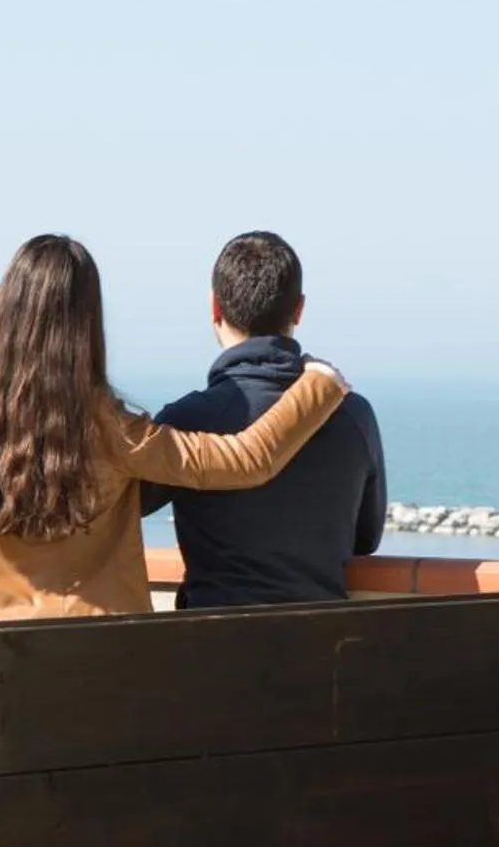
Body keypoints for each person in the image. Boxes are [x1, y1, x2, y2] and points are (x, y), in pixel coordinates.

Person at [0, 233, 350, 624]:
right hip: (94, 659)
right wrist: (319, 384)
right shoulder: (110, 428)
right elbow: (246, 461)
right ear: (87, 326)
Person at [142, 231, 386, 608]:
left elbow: (120, 514)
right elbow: (366, 539)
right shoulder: (354, 414)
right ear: (299, 309)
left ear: (214, 307)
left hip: (210, 643)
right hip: (321, 645)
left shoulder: (186, 419)